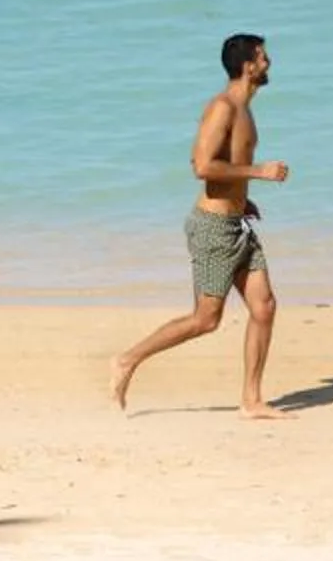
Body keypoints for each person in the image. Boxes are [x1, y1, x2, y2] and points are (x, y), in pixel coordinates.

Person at [112, 33, 289, 420]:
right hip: (212, 227)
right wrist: (259, 172)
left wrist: (244, 196)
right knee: (206, 319)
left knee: (265, 306)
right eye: (263, 57)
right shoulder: (222, 108)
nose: (268, 63)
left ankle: (251, 401)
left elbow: (226, 168)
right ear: (248, 66)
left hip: (237, 224)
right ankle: (128, 360)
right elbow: (202, 166)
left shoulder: (245, 108)